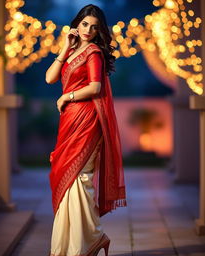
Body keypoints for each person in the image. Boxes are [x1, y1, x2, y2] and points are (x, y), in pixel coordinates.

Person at [45, 4, 127, 256]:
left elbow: (95, 87)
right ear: (76, 24)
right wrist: (64, 47)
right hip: (69, 122)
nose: (88, 30)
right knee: (69, 181)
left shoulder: (93, 53)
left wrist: (67, 96)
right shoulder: (72, 50)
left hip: (87, 120)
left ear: (99, 30)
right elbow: (49, 78)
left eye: (94, 27)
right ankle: (90, 239)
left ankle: (84, 243)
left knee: (79, 179)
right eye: (84, 24)